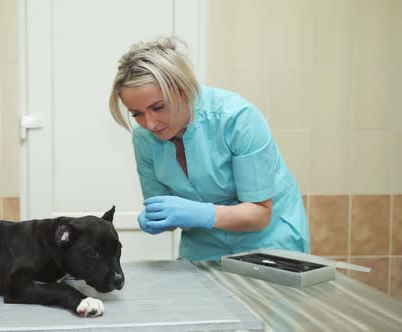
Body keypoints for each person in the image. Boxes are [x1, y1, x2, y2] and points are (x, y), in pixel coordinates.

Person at [108, 36, 310, 261]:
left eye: (158, 107)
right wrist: (157, 219)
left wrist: (203, 213)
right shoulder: (144, 139)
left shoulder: (238, 119)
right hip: (203, 245)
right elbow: (166, 214)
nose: (150, 123)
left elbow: (260, 213)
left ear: (183, 91)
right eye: (137, 114)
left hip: (267, 241)